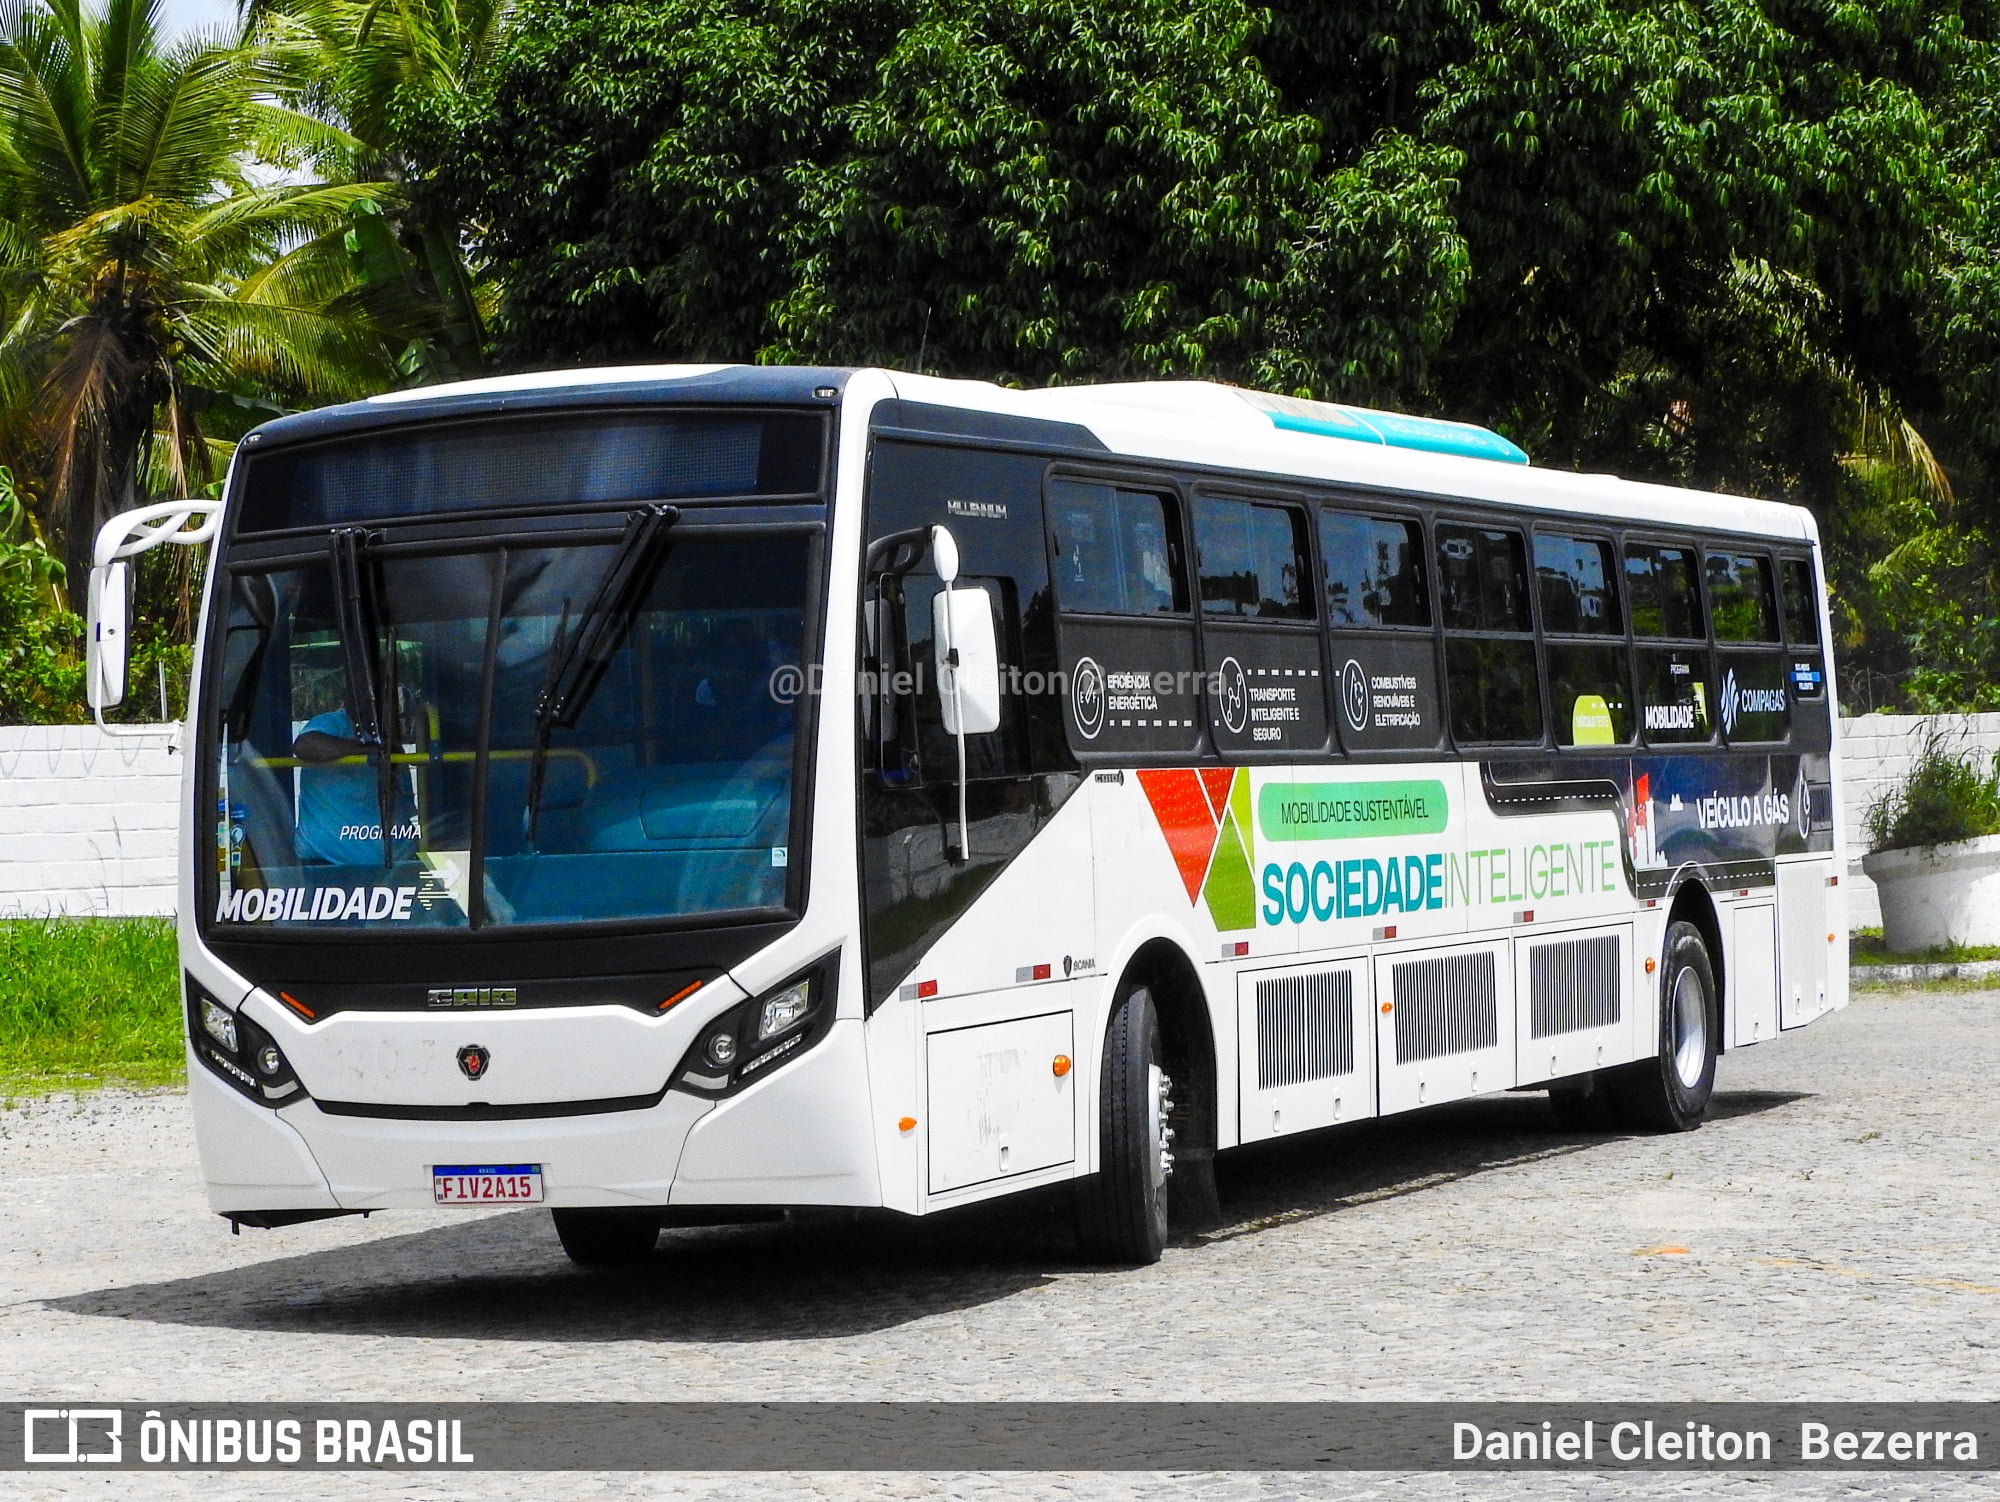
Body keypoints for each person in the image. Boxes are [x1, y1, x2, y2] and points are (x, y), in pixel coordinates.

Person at [293, 704, 415, 865]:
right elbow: (305, 745)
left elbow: (405, 811)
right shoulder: (333, 723)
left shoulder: (392, 748)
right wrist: (366, 750)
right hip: (326, 871)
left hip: (399, 870)